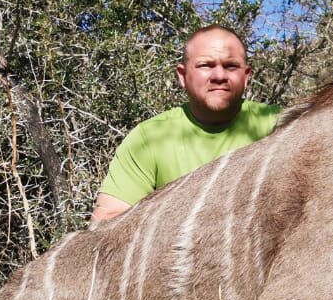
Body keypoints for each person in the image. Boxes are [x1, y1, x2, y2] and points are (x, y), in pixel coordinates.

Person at [89, 25, 281, 226]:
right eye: (205, 65)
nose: (219, 76)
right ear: (182, 76)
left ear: (246, 76)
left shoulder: (279, 125)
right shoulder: (150, 136)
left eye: (230, 66)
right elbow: (107, 221)